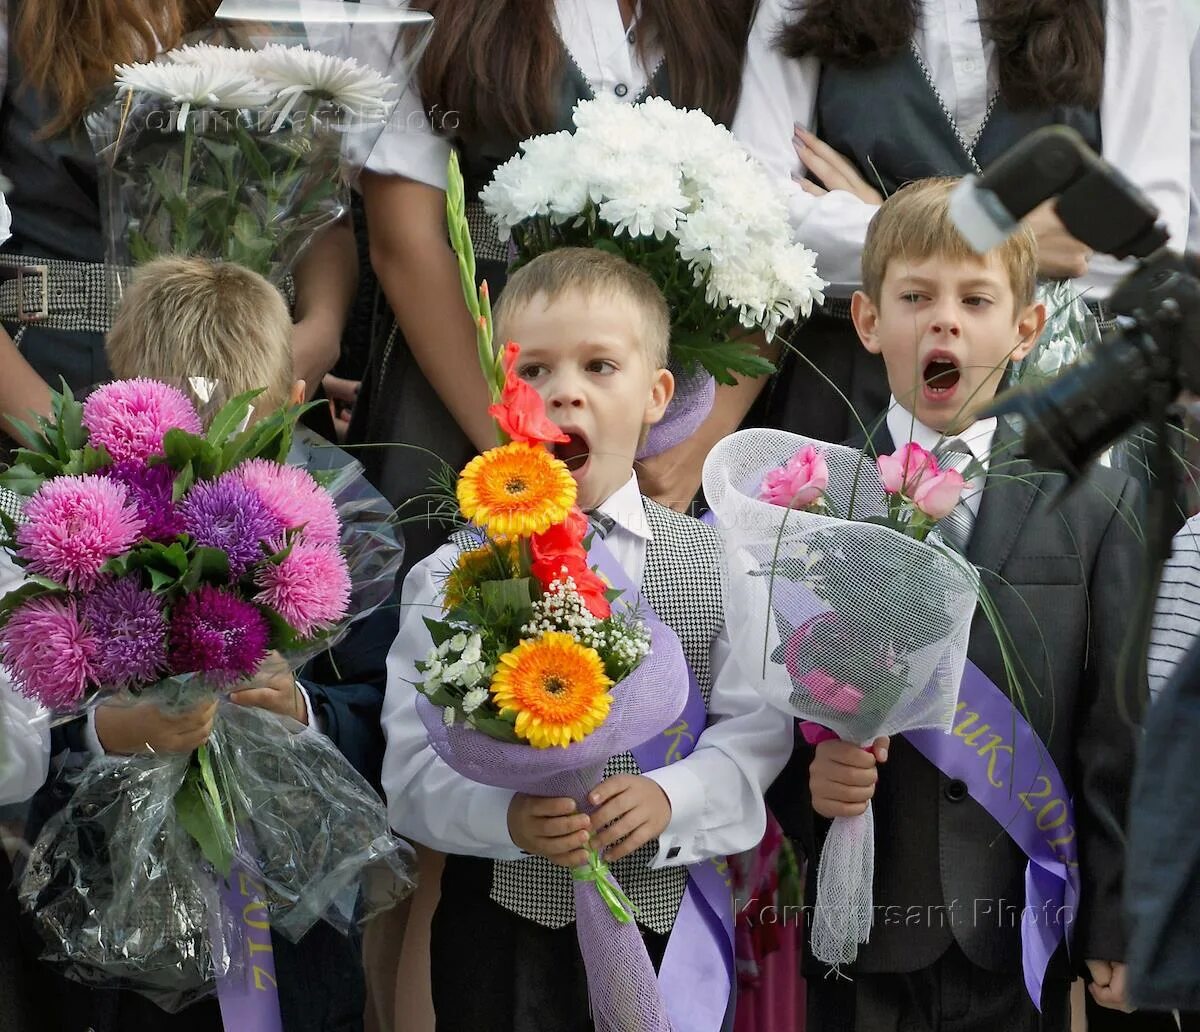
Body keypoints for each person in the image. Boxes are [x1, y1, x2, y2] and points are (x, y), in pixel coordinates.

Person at [380, 247, 794, 1030]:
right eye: (533, 370)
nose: (563, 392)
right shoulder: (452, 577)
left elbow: (758, 731)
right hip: (503, 935)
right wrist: (504, 819)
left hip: (672, 929)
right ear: (502, 393)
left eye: (600, 366)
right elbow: (410, 765)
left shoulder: (719, 561)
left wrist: (672, 796)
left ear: (656, 393)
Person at [791, 178, 1144, 1031]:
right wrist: (810, 787)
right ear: (868, 321)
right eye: (916, 297)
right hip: (863, 918)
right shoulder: (809, 499)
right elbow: (765, 706)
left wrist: (1119, 917)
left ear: (1024, 329)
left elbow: (1117, 729)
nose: (944, 320)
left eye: (975, 298)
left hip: (1019, 924)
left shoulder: (1097, 504)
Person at [17, 256, 400, 1032]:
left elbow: (386, 714)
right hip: (119, 908)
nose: (206, 464)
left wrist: (299, 706)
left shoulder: (344, 522)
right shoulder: (71, 528)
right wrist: (112, 731)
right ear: (116, 404)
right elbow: (22, 724)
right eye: (182, 443)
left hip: (295, 911)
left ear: (295, 405)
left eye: (243, 432)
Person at [350, 0, 755, 561]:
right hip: (469, 355)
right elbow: (404, 239)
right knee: (450, 612)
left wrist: (700, 441)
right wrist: (514, 440)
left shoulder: (731, 15)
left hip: (661, 408)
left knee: (669, 616)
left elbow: (763, 239)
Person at [732, 0, 1191, 447]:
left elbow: (1144, 242)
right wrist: (1020, 238)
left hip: (1060, 409)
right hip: (846, 398)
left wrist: (888, 226)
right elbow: (758, 217)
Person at [0, 1, 356, 439]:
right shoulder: (18, 19)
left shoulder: (267, 12)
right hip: (63, 385)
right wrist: (59, 435)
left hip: (257, 380)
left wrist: (321, 329)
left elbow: (318, 202)